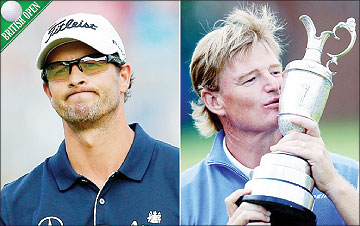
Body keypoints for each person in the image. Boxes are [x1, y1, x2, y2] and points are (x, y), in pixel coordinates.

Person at [181, 4, 359, 225]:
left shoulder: (348, 176)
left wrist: (334, 185)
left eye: (275, 71)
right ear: (214, 101)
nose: (274, 84)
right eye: (250, 79)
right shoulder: (182, 196)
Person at [1, 13, 179, 225]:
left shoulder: (180, 177)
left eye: (91, 63)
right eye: (59, 69)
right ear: (48, 91)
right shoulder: (14, 204)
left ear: (123, 77)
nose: (75, 79)